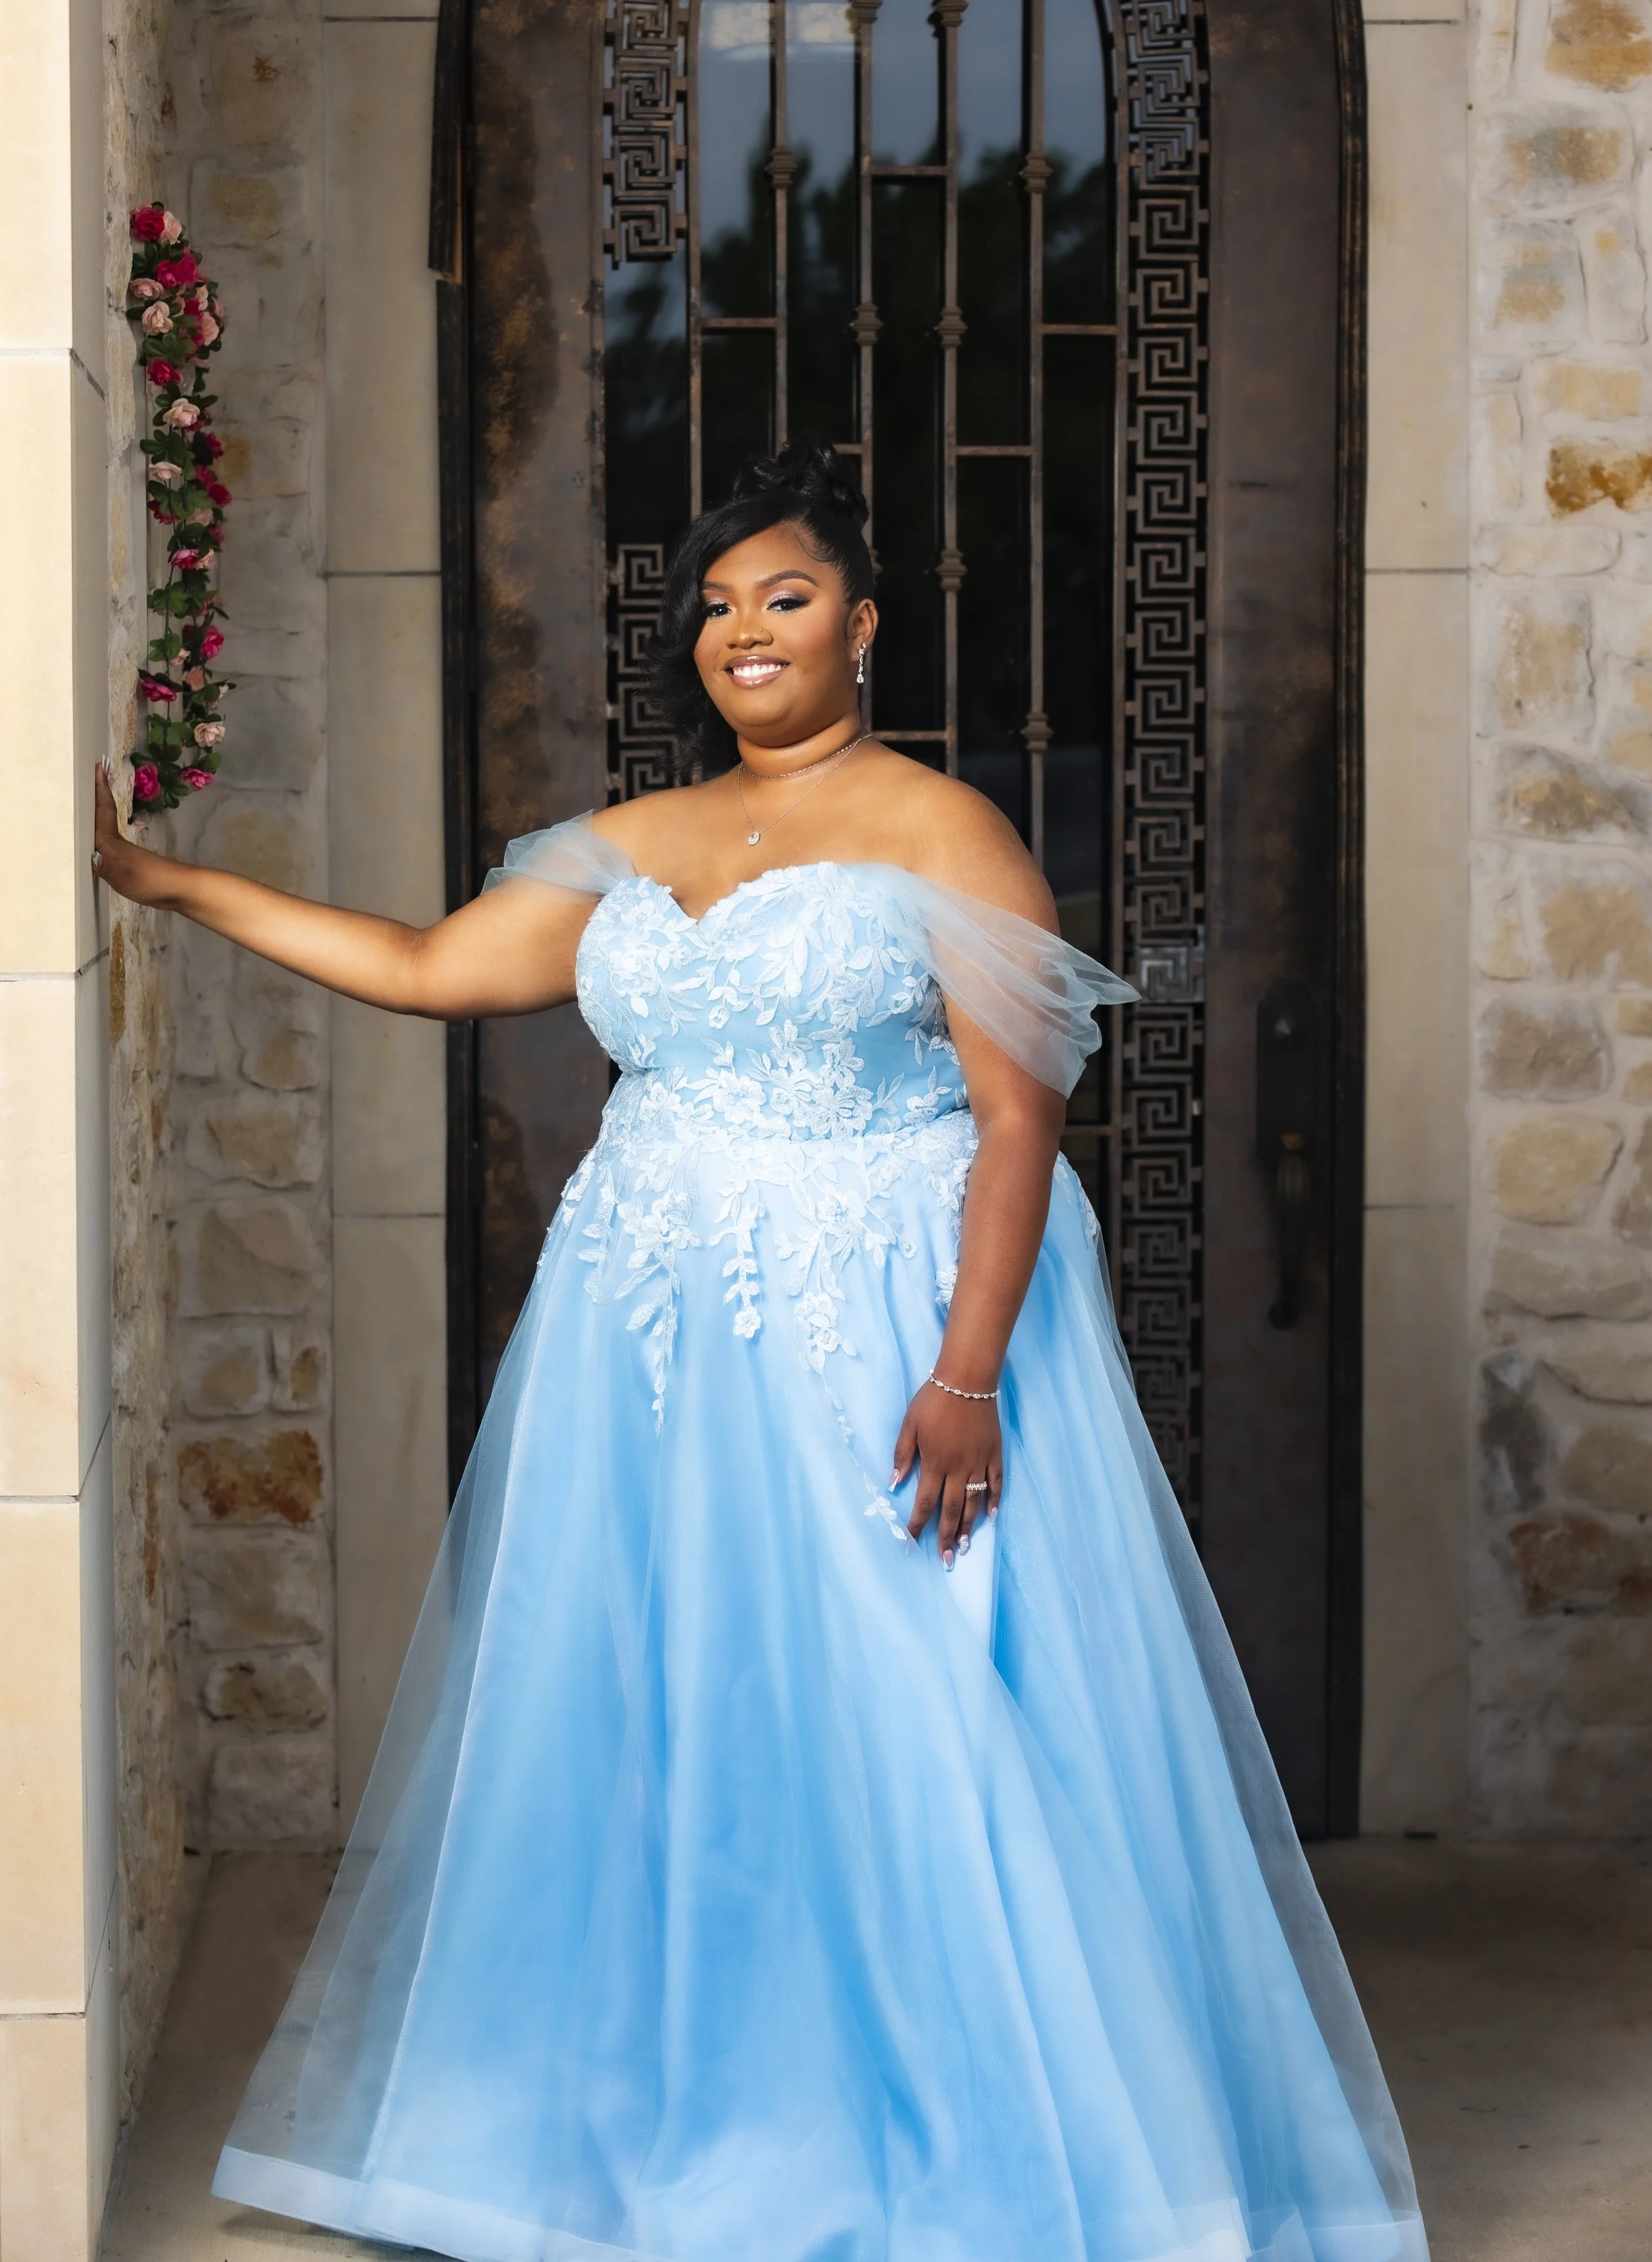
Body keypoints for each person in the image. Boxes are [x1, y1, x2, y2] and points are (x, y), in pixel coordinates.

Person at [95, 438, 1428, 2262]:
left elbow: (1017, 1123)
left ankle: (967, 2133)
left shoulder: (940, 829)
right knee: (661, 1696)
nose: (743, 628)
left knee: (901, 1700)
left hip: (870, 1314)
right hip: (643, 1337)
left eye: (783, 596)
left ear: (861, 628)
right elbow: (420, 966)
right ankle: (684, 2099)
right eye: (715, 604)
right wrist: (168, 885)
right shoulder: (628, 844)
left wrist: (965, 1375)